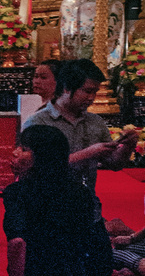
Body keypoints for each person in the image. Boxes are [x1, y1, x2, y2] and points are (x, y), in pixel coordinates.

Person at [0, 125, 139, 276]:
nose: (14, 152)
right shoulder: (81, 193)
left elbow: (18, 244)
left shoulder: (18, 192)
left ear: (42, 158)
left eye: (23, 149)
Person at [23, 59, 138, 193]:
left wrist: (128, 146)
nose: (91, 98)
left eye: (95, 92)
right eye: (87, 91)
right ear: (66, 88)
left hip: (86, 202)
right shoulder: (39, 121)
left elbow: (114, 164)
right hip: (45, 202)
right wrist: (88, 153)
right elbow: (33, 167)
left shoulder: (95, 121)